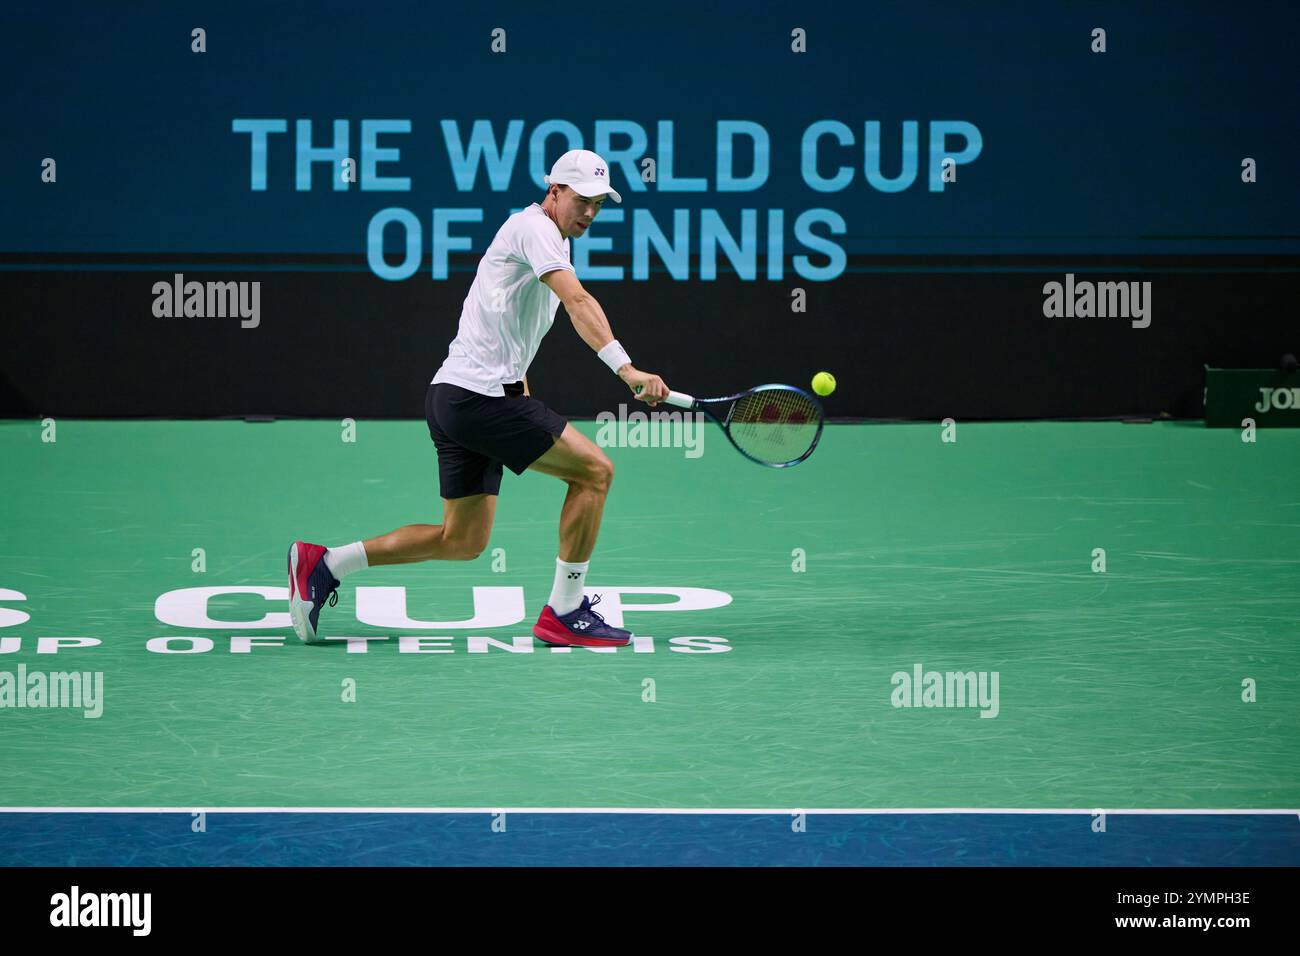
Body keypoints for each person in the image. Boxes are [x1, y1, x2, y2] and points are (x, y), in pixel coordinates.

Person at [288, 149, 669, 648]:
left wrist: (522, 386)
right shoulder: (536, 230)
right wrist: (627, 369)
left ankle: (326, 563)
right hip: (480, 401)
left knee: (462, 540)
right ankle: (566, 611)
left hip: (454, 397)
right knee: (595, 471)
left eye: (599, 204)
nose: (591, 213)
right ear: (554, 191)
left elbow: (507, 326)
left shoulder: (545, 238)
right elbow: (579, 301)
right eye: (582, 200)